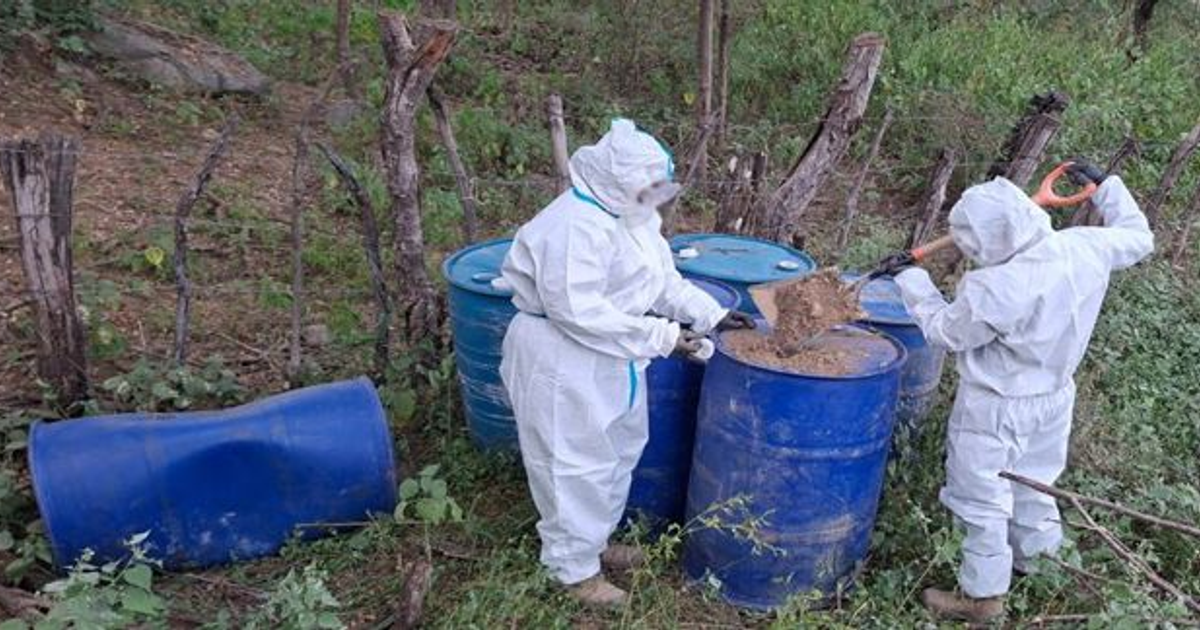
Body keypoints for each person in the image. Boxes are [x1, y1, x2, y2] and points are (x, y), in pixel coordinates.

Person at [499, 119, 756, 608]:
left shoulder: (632, 215)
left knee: (617, 451)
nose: (655, 197)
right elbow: (579, 313)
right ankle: (573, 571)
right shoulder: (573, 226)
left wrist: (713, 313)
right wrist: (662, 335)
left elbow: (661, 281)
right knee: (572, 463)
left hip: (614, 354)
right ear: (621, 183)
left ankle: (594, 543)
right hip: (562, 357)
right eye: (649, 189)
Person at [882, 162, 1154, 623]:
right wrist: (1106, 188)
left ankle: (983, 598)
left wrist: (910, 280)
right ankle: (1041, 569)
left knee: (979, 496)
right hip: (1053, 397)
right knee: (1034, 484)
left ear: (986, 242)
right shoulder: (1084, 246)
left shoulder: (995, 287)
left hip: (996, 406)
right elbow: (1139, 235)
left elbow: (945, 332)